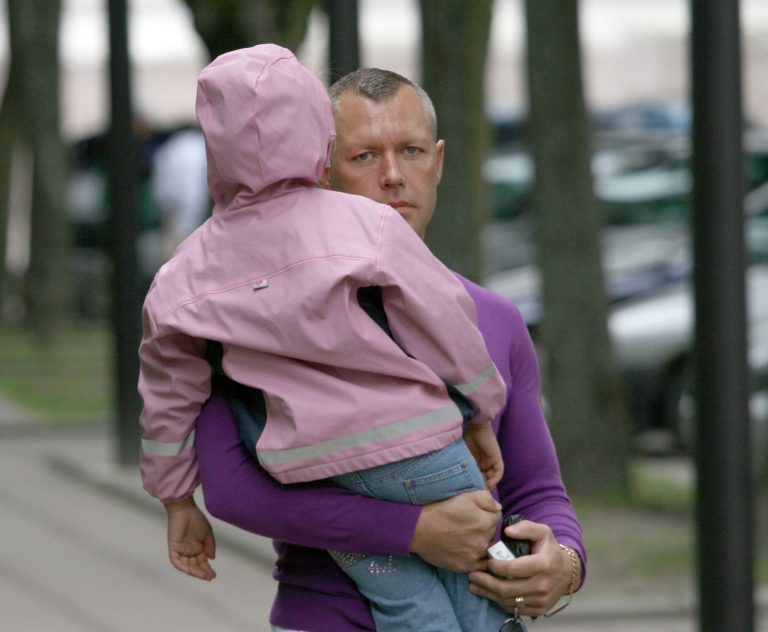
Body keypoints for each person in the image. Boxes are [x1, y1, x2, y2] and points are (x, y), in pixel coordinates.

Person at [175, 66, 587, 631]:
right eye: (364, 156)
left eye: (412, 151)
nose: (393, 176)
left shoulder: (495, 318)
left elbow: (536, 489)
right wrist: (412, 532)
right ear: (319, 173)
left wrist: (562, 564)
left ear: (438, 163)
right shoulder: (253, 317)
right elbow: (233, 490)